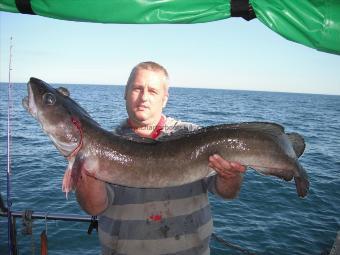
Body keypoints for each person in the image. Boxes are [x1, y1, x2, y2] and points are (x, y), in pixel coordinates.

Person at [75, 61, 246, 255]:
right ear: (125, 93)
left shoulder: (195, 136)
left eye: (153, 91)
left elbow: (227, 193)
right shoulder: (107, 143)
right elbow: (94, 206)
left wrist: (230, 176)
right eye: (137, 89)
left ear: (164, 99)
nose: (144, 97)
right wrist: (86, 169)